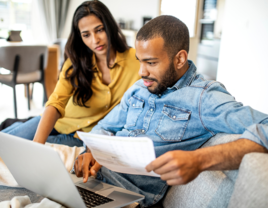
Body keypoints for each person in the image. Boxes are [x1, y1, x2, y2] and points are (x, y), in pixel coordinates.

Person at [74, 15, 268, 208]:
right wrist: (90, 151)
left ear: (180, 59)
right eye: (140, 61)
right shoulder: (138, 89)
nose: (142, 72)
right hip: (93, 180)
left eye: (151, 63)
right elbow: (104, 127)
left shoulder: (204, 98)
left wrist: (199, 160)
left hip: (127, 195)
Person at [1, 0, 140, 146]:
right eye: (86, 35)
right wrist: (37, 144)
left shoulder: (136, 61)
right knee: (6, 142)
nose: (95, 40)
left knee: (18, 146)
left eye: (99, 30)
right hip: (58, 121)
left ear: (110, 26)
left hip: (83, 136)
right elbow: (56, 102)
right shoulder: (76, 62)